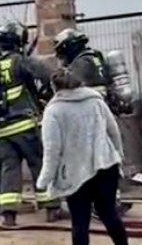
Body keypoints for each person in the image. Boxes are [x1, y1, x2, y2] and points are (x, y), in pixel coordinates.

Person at [0, 20, 64, 226]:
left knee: (9, 167)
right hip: (22, 127)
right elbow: (49, 75)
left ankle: (7, 214)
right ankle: (51, 208)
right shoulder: (20, 60)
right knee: (39, 162)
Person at [36, 69, 129, 245]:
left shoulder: (53, 111)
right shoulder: (96, 102)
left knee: (80, 222)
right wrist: (118, 154)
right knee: (109, 214)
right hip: (105, 165)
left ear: (54, 88)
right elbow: (113, 131)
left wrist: (43, 180)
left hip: (75, 172)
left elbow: (52, 150)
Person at [54, 27, 134, 216]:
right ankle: (112, 200)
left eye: (62, 52)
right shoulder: (95, 57)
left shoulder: (81, 64)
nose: (62, 57)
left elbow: (71, 90)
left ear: (69, 47)